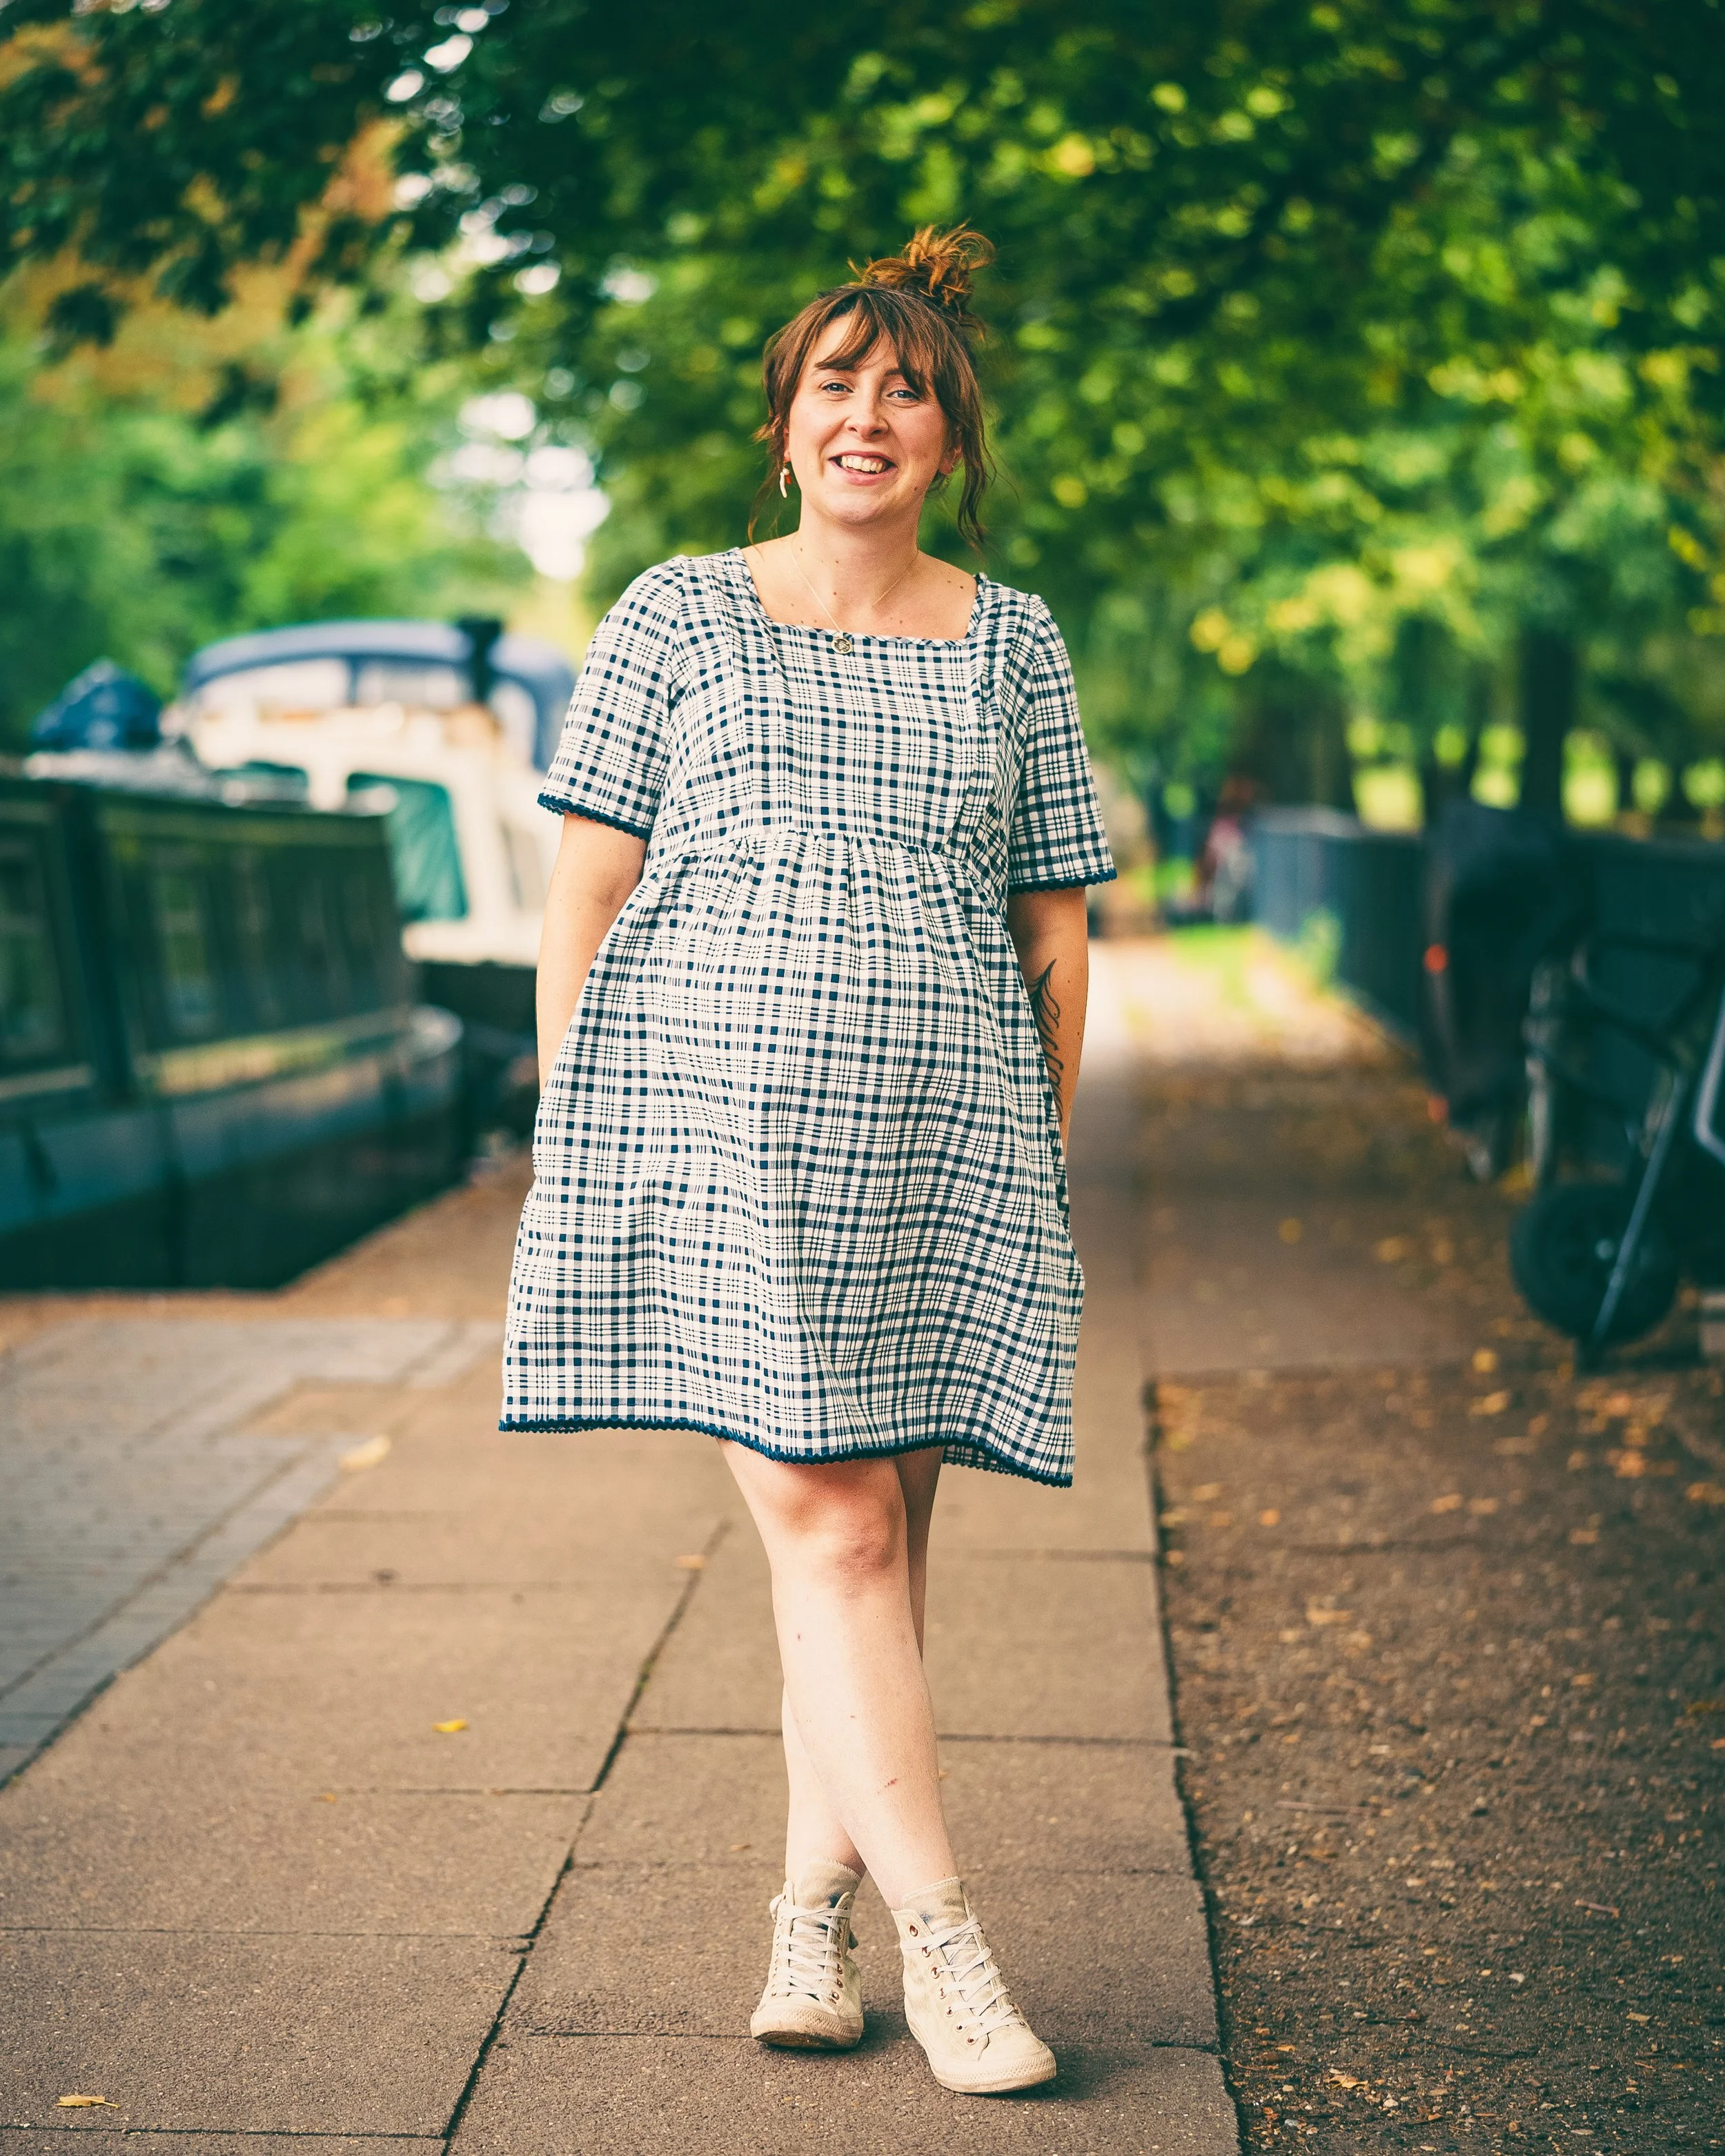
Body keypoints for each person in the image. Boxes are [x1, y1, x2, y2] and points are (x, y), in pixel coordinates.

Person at [501, 226, 1115, 2096]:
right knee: (837, 1523)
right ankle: (948, 1948)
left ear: (948, 441)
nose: (871, 415)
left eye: (906, 389)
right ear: (783, 432)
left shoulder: (1012, 641)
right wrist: (578, 1149)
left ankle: (802, 1918)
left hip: (938, 1153)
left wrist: (1039, 1162)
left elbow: (1056, 937)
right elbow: (584, 898)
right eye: (836, 387)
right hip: (716, 1150)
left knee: (874, 1545)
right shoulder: (674, 616)